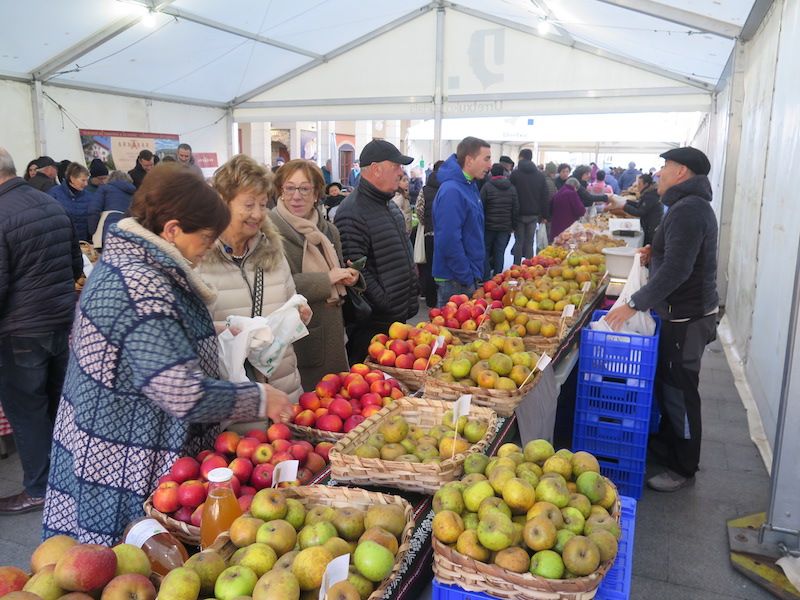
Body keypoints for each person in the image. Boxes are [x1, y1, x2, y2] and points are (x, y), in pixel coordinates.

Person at [42, 163, 289, 543]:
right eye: (206, 237)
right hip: (125, 455)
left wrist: (218, 330)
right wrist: (259, 397)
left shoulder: (137, 264)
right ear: (172, 229)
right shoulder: (142, 284)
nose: (208, 246)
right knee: (129, 558)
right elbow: (181, 392)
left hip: (122, 438)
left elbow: (148, 343)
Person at [606, 147, 718, 493]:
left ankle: (683, 465)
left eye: (666, 166)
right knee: (669, 383)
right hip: (681, 313)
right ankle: (669, 444)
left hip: (687, 316)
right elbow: (681, 253)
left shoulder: (689, 209)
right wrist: (657, 249)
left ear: (682, 171)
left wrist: (635, 304)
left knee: (680, 391)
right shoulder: (685, 207)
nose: (660, 173)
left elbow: (678, 270)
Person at [0, 148, 82, 515]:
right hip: (58, 320)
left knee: (28, 411)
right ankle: (65, 479)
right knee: (55, 405)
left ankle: (38, 488)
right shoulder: (50, 203)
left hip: (19, 331)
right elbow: (75, 263)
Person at [194, 155, 307, 413]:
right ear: (223, 202)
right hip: (232, 405)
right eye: (248, 204)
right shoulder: (198, 260)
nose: (257, 214)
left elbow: (288, 302)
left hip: (283, 392)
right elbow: (191, 335)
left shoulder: (273, 252)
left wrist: (297, 317)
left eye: (263, 204)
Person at [269, 160, 361, 389]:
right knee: (306, 405)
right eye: (289, 188)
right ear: (280, 189)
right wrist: (327, 279)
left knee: (334, 402)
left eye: (304, 188)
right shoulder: (269, 231)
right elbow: (277, 286)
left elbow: (338, 270)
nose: (296, 196)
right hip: (299, 337)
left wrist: (352, 277)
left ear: (317, 193)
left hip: (334, 333)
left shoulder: (328, 230)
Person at [334, 140, 418, 364]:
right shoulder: (352, 212)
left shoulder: (389, 205)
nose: (401, 172)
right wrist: (385, 302)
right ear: (375, 168)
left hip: (394, 317)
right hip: (374, 324)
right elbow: (355, 270)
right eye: (396, 166)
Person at [432, 136, 490, 306]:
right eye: (486, 159)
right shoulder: (452, 191)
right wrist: (467, 277)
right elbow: (449, 240)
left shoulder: (469, 186)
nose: (489, 165)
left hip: (464, 276)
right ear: (469, 160)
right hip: (455, 279)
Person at [510, 148, 549, 264]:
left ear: (520, 157)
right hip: (533, 214)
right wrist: (545, 215)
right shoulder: (540, 175)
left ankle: (516, 267)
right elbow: (544, 196)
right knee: (530, 242)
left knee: (518, 241)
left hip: (518, 214)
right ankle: (529, 267)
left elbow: (511, 194)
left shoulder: (515, 174)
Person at [481, 163, 518, 279]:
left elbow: (481, 205)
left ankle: (486, 277)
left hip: (489, 226)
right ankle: (498, 277)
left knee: (486, 251)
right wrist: (513, 225)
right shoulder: (511, 188)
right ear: (503, 173)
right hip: (505, 226)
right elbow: (515, 208)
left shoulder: (487, 187)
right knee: (500, 251)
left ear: (492, 173)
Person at [416, 160, 443, 308]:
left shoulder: (425, 189)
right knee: (444, 266)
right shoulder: (448, 188)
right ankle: (443, 298)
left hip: (430, 233)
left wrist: (426, 222)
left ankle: (430, 299)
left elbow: (419, 210)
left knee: (429, 267)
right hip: (444, 234)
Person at [88, 170, 136, 248]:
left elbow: (93, 210)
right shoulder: (133, 193)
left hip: (107, 231)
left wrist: (92, 231)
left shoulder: (104, 189)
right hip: (128, 232)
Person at [49, 162, 92, 242]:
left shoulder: (89, 197)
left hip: (82, 242)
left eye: (87, 180)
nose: (86, 184)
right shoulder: (54, 194)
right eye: (83, 180)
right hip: (60, 241)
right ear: (72, 178)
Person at [623, 173, 662, 246]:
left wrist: (624, 206)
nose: (637, 186)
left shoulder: (651, 195)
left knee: (648, 246)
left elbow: (640, 212)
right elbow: (639, 205)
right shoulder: (647, 193)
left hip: (651, 228)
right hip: (648, 225)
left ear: (646, 184)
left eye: (639, 184)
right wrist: (626, 201)